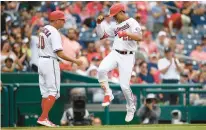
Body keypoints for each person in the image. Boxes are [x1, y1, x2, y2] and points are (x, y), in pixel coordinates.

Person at [96, 3, 142, 122]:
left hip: (128, 56)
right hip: (115, 52)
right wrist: (98, 24)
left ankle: (131, 107)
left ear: (122, 12)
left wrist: (127, 33)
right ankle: (108, 93)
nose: (114, 18)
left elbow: (139, 37)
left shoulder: (132, 22)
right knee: (101, 70)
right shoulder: (115, 25)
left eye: (115, 15)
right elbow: (102, 36)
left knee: (124, 86)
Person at [37, 10, 83, 127]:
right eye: (62, 20)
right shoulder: (54, 32)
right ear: (56, 21)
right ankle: (43, 117)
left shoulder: (44, 29)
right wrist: (75, 60)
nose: (64, 22)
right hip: (50, 62)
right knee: (53, 92)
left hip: (41, 60)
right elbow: (60, 53)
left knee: (45, 93)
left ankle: (45, 118)